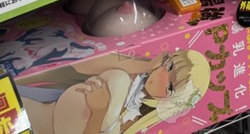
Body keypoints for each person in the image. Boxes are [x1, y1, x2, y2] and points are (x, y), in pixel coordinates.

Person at [16, 50, 211, 134]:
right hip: (32, 106)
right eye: (169, 66)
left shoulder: (135, 119)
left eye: (170, 88)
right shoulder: (134, 69)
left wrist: (99, 111)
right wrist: (145, 64)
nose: (162, 76)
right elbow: (83, 64)